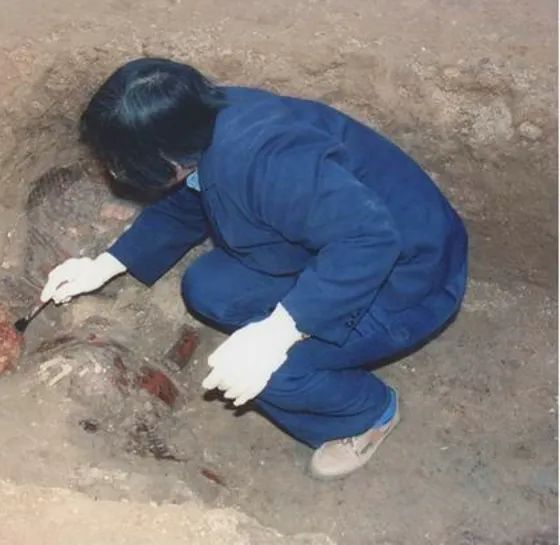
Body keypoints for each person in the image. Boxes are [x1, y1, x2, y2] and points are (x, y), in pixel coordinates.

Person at [39, 57, 468, 479]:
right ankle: (313, 339)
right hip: (338, 240)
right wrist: (108, 263)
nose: (114, 171)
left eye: (119, 161)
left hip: (409, 277)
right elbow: (189, 199)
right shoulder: (202, 122)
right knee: (209, 288)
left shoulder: (267, 161)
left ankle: (367, 414)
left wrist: (280, 332)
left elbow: (368, 241)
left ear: (165, 158)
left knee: (270, 376)